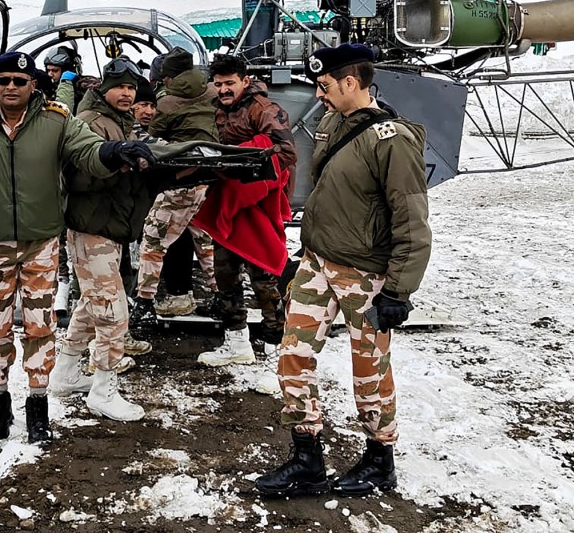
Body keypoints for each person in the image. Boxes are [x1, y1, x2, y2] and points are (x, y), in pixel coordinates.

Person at [0, 51, 153, 445]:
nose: (11, 88)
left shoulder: (55, 119)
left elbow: (85, 148)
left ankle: (38, 406)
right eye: (3, 81)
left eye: (20, 81)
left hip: (42, 243)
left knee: (40, 327)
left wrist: (112, 152)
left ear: (33, 84)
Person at [256, 43, 431, 498]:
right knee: (293, 355)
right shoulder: (334, 122)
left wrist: (398, 291)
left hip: (366, 275)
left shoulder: (391, 140)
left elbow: (411, 217)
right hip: (318, 263)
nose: (319, 95)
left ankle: (379, 458)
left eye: (325, 85)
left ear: (352, 83)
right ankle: (306, 457)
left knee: (369, 369)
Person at [53, 58, 163, 421]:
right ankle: (103, 388)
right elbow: (76, 174)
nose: (128, 94)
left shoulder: (120, 123)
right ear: (103, 88)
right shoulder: (89, 122)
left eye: (133, 88)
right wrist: (119, 163)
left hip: (109, 227)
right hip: (91, 227)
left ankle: (66, 372)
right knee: (114, 312)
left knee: (91, 303)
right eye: (121, 86)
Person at [198, 53, 296, 366]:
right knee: (224, 271)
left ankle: (274, 345)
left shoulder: (265, 109)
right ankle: (236, 339)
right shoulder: (216, 110)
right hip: (228, 196)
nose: (224, 90)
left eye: (229, 83)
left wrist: (235, 155)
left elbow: (286, 152)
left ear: (244, 80)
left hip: (257, 201)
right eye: (218, 85)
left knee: (263, 273)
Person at [131, 47, 219, 324]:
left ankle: (144, 301)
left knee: (154, 240)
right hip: (210, 178)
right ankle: (221, 295)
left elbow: (154, 139)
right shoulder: (213, 93)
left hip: (180, 180)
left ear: (166, 78)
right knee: (206, 242)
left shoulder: (167, 103)